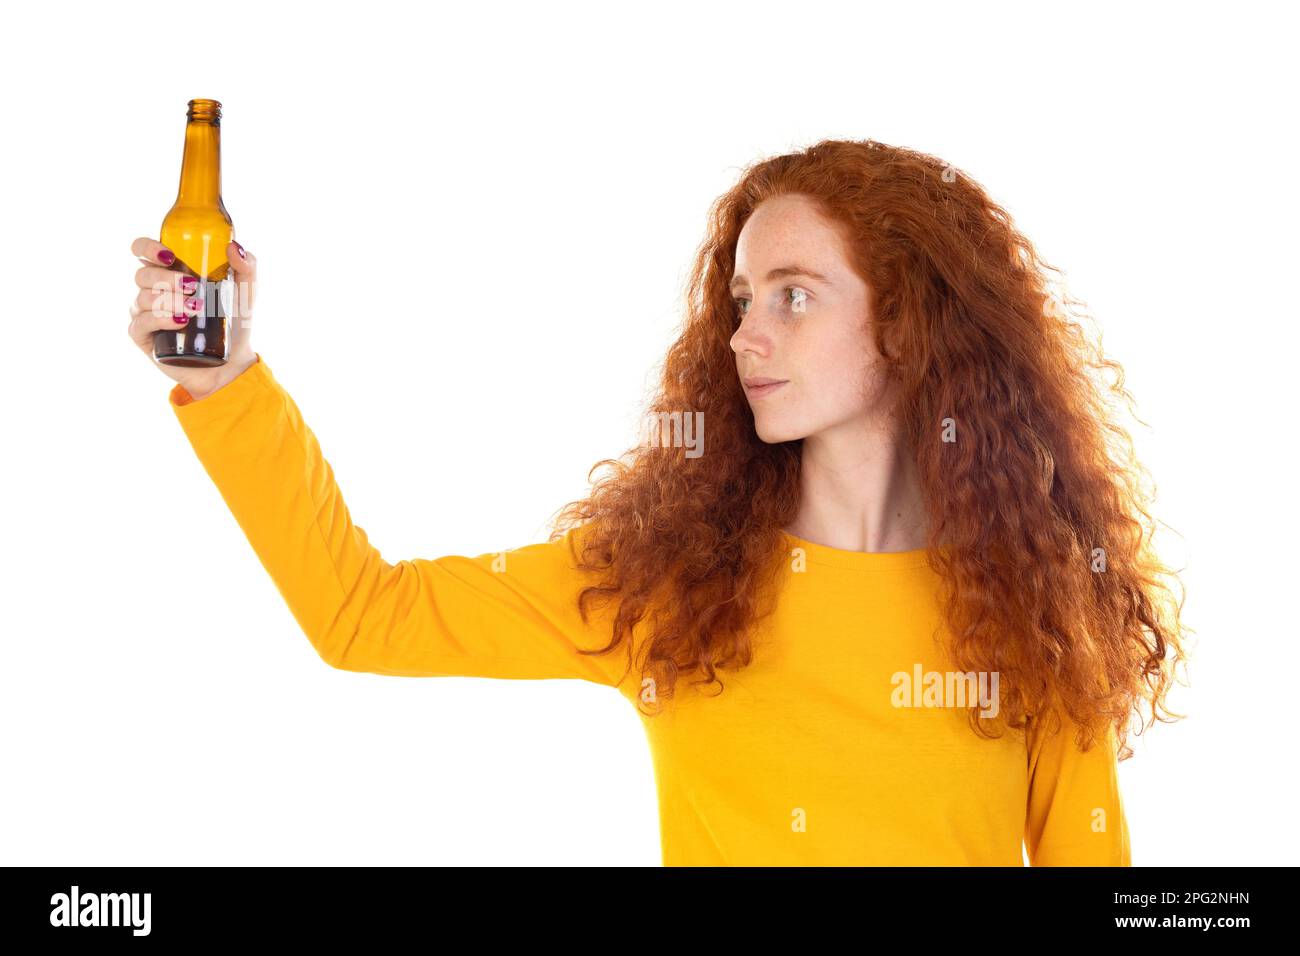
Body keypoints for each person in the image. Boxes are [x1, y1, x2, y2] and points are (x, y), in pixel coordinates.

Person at [128, 138, 1187, 866]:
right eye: (740, 300)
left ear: (908, 327)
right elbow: (362, 612)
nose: (744, 334)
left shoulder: (1034, 609)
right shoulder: (676, 583)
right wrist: (226, 381)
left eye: (793, 294)